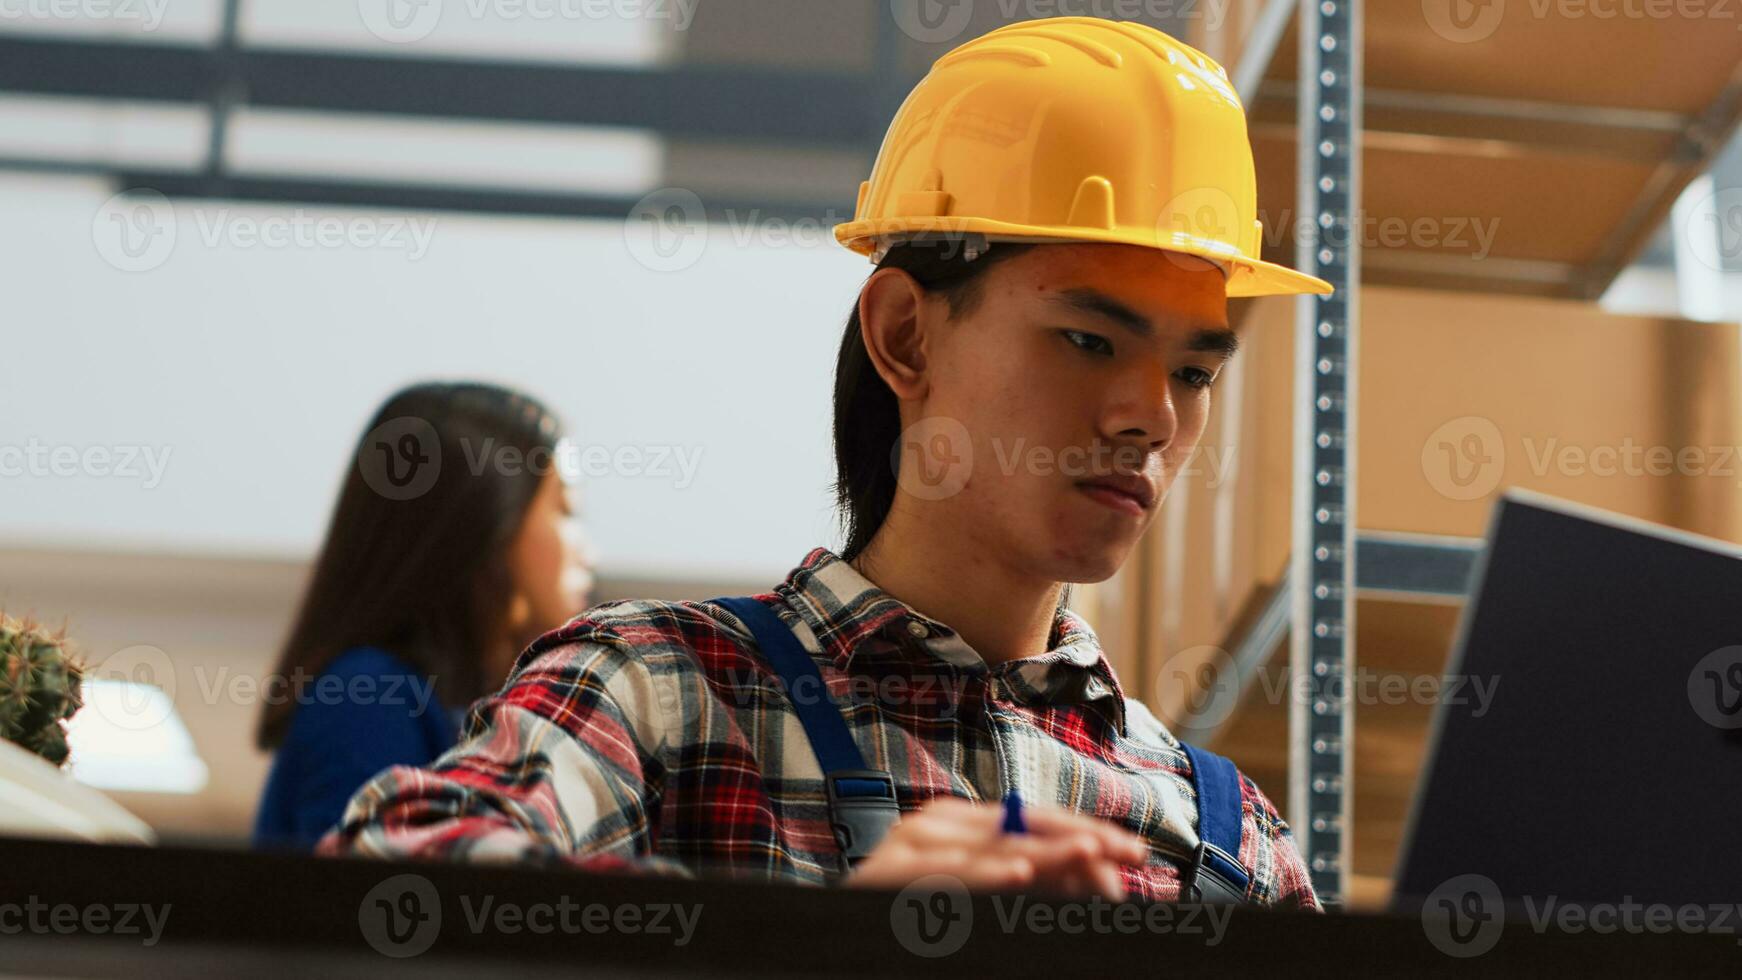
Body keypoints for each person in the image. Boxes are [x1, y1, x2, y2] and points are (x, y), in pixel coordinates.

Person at [319, 18, 1330, 908]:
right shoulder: (662, 694)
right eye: (1086, 340)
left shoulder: (1226, 838)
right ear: (905, 336)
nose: (1151, 415)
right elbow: (395, 874)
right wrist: (817, 943)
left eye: (1194, 370)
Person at [253, 382, 592, 850]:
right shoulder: (368, 697)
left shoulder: (468, 706)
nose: (585, 549)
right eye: (566, 509)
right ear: (486, 522)